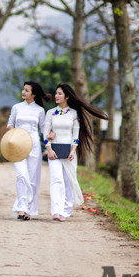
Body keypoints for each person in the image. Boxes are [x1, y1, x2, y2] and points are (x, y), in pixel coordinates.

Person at [44, 83, 109, 222]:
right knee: (56, 180)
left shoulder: (73, 114)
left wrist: (73, 151)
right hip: (53, 151)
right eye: (56, 93)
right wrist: (49, 149)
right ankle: (56, 210)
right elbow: (45, 133)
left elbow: (75, 135)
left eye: (60, 93)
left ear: (67, 96)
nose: (56, 96)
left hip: (69, 152)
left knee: (69, 180)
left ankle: (65, 211)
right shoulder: (50, 113)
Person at [7, 81, 51, 221]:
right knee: (21, 176)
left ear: (34, 94)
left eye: (27, 90)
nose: (23, 92)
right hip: (18, 145)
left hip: (34, 146)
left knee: (32, 178)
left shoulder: (39, 110)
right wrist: (15, 134)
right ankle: (21, 207)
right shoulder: (16, 107)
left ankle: (29, 210)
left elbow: (44, 130)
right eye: (23, 89)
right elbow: (10, 124)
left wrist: (49, 142)